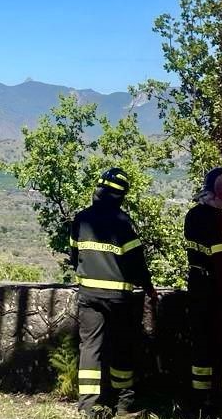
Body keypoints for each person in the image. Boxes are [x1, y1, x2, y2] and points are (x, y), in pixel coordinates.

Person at [70, 166, 155, 417]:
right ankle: (123, 405)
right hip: (119, 298)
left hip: (88, 294)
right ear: (121, 195)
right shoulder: (122, 222)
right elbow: (137, 262)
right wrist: (149, 287)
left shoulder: (81, 219)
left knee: (90, 348)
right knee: (122, 350)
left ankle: (88, 406)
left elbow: (75, 257)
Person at [184, 167, 222, 418]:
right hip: (219, 289)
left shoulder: (193, 215)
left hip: (197, 285)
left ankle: (198, 400)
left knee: (201, 344)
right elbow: (221, 257)